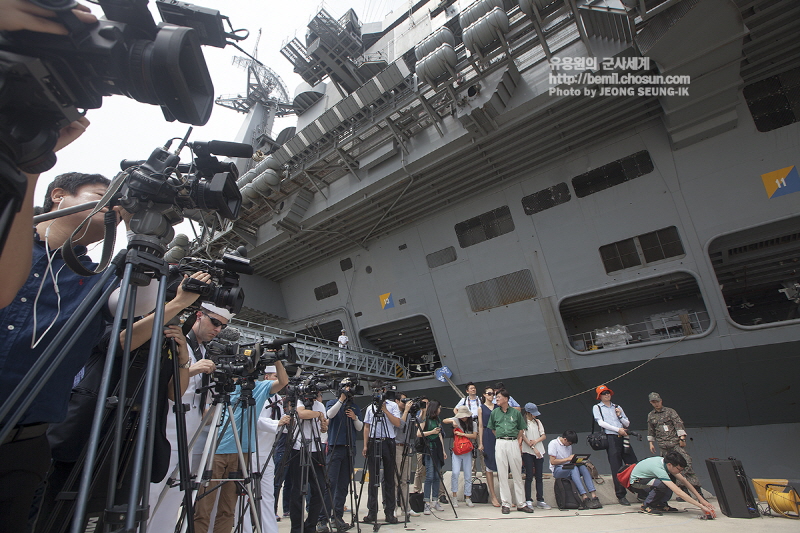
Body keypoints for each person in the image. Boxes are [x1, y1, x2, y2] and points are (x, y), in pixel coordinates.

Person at [0, 171, 158, 532]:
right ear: (59, 195)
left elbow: (136, 305)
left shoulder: (100, 278)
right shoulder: (8, 241)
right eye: (102, 195)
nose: (114, 208)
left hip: (21, 447)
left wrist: (142, 235)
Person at [193, 360, 289, 533]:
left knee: (228, 507)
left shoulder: (259, 388)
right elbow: (206, 415)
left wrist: (277, 360)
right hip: (217, 451)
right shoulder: (224, 387)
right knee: (204, 506)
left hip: (242, 453)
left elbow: (283, 382)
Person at [320, 378, 363, 531]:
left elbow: (359, 428)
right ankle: (322, 519)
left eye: (350, 387)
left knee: (343, 485)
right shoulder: (332, 403)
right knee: (330, 483)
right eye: (345, 386)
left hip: (349, 448)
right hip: (335, 447)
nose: (348, 389)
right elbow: (330, 415)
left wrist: (355, 417)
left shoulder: (355, 407)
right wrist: (341, 399)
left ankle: (337, 517)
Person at [287, 392, 329, 533]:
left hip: (316, 449)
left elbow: (324, 426)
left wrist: (324, 425)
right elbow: (301, 414)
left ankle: (310, 525)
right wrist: (318, 414)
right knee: (297, 490)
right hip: (299, 448)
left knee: (319, 488)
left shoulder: (320, 405)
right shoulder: (300, 401)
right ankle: (297, 528)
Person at [646, 392, 702, 493]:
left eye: (657, 401)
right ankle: (681, 490)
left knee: (686, 462)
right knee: (668, 468)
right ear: (651, 403)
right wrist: (651, 443)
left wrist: (682, 438)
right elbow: (651, 430)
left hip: (675, 443)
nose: (656, 404)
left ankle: (695, 489)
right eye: (654, 402)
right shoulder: (651, 415)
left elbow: (678, 424)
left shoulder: (670, 412)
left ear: (661, 400)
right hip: (663, 445)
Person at [362, 389, 403, 524]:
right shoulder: (370, 407)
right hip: (374, 441)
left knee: (389, 478)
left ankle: (390, 512)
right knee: (373, 478)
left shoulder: (392, 406)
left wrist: (385, 410)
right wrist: (365, 445)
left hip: (388, 441)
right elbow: (367, 427)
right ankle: (372, 512)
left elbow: (397, 423)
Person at [486, 389, 530, 513]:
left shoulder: (515, 413)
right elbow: (493, 429)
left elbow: (521, 429)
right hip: (500, 442)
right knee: (502, 473)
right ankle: (506, 503)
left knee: (517, 472)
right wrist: (501, 437)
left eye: (499, 397)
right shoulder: (494, 413)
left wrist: (515, 439)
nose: (496, 399)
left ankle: (521, 503)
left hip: (513, 442)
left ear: (506, 398)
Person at [593, 385, 637, 505]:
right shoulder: (597, 407)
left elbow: (627, 423)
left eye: (608, 392)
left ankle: (640, 491)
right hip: (611, 437)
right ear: (599, 396)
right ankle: (621, 495)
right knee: (616, 467)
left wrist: (620, 415)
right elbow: (601, 422)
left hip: (623, 436)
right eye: (604, 393)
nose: (607, 395)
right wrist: (618, 430)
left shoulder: (617, 407)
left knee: (633, 463)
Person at [631, 452, 714, 515]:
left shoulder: (667, 464)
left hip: (649, 480)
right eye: (679, 469)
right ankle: (646, 506)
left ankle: (660, 504)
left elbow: (685, 481)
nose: (680, 472)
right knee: (662, 485)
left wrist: (702, 500)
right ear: (670, 465)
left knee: (670, 479)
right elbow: (678, 492)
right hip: (637, 483)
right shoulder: (659, 468)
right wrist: (701, 507)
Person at [548, 430, 601, 509]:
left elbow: (570, 460)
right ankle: (584, 496)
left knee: (582, 467)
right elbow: (553, 462)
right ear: (565, 439)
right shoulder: (553, 443)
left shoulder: (568, 446)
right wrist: (567, 459)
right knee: (573, 468)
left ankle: (594, 495)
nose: (570, 445)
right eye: (570, 443)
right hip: (558, 469)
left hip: (568, 466)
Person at [392, 392, 419, 519]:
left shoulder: (408, 414)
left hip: (406, 446)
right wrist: (406, 411)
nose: (405, 403)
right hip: (397, 446)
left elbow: (417, 424)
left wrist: (420, 410)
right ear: (397, 401)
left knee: (405, 479)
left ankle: (406, 507)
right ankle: (393, 508)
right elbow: (399, 425)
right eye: (403, 401)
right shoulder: (394, 412)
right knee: (395, 480)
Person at [417, 400, 446, 515]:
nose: (440, 410)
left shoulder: (437, 419)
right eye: (439, 408)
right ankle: (426, 502)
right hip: (429, 448)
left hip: (437, 448)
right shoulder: (426, 419)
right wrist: (431, 432)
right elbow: (419, 433)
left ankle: (435, 500)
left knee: (437, 475)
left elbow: (440, 435)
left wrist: (443, 450)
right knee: (429, 476)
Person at [445, 406, 477, 507]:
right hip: (457, 450)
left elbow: (474, 436)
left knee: (468, 474)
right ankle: (454, 497)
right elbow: (444, 420)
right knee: (455, 473)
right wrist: (452, 422)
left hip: (467, 450)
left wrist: (462, 434)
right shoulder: (457, 420)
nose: (463, 418)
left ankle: (468, 497)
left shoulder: (473, 423)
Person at [521, 403, 551, 510]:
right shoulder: (523, 422)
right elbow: (523, 436)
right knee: (529, 476)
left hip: (539, 450)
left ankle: (540, 499)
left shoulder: (537, 422)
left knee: (539, 476)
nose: (535, 415)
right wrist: (533, 447)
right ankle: (528, 499)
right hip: (528, 451)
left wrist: (536, 441)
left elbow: (543, 435)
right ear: (528, 413)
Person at [480, 386, 501, 507]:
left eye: (493, 394)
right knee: (489, 465)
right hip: (488, 434)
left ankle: (503, 495)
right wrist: (481, 442)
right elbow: (481, 426)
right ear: (484, 395)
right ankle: (493, 495)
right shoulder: (481, 408)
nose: (491, 396)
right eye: (489, 393)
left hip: (498, 433)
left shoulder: (497, 407)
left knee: (500, 464)